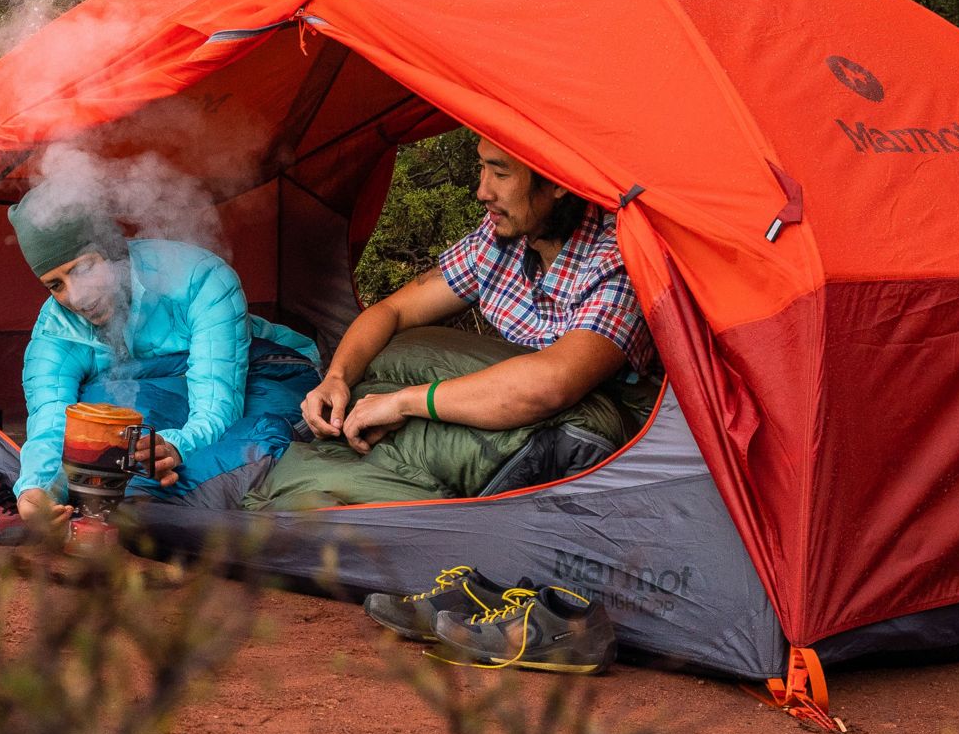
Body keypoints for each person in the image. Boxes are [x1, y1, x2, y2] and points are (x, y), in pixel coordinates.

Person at [249, 137, 657, 509]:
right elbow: (391, 312)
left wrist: (406, 402)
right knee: (392, 359)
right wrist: (336, 377)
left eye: (500, 173)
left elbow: (552, 384)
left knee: (405, 385)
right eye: (481, 169)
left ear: (556, 182)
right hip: (507, 414)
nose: (483, 191)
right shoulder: (501, 237)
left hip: (596, 435)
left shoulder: (615, 258)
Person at [0, 181, 321, 547]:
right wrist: (35, 493)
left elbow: (217, 406)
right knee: (98, 417)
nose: (77, 297)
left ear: (112, 248)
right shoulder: (55, 331)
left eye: (83, 268)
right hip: (162, 390)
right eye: (55, 284)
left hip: (262, 370)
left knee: (237, 441)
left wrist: (176, 446)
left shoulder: (202, 278)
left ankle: (154, 508)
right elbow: (52, 425)